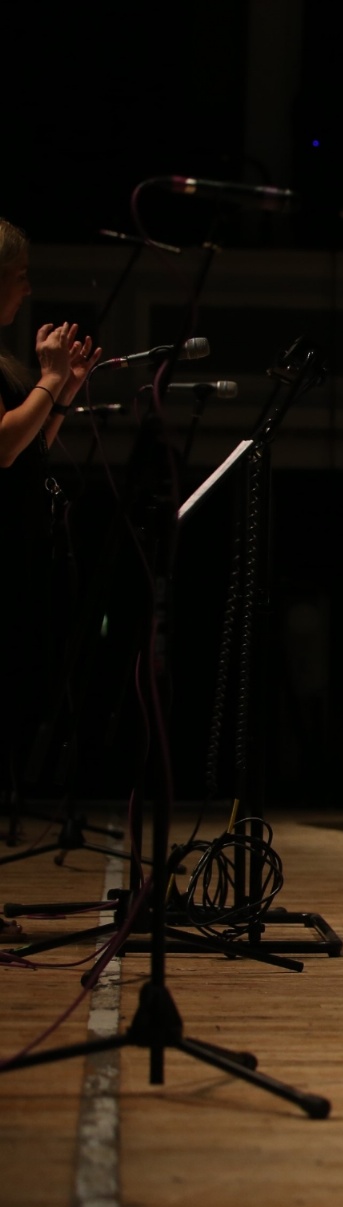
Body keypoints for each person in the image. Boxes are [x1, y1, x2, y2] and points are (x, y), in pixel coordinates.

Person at [0, 218, 99, 813]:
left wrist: (62, 392)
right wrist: (52, 377)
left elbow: (30, 451)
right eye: (19, 276)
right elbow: (3, 446)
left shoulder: (3, 361)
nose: (28, 289)